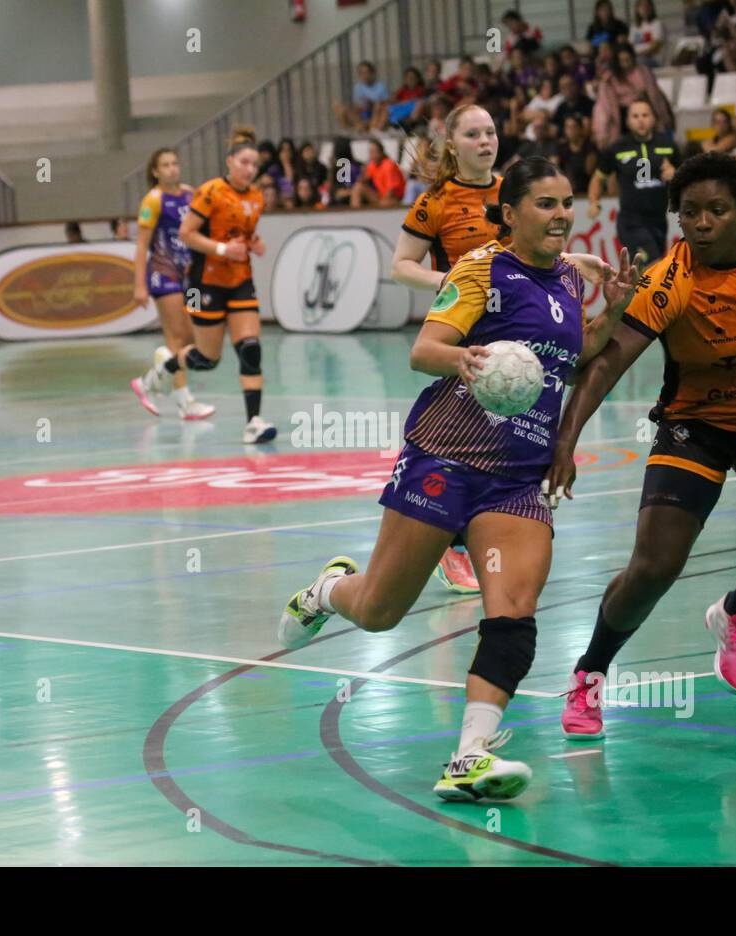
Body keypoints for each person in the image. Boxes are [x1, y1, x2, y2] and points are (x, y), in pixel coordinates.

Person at [277, 157, 642, 801]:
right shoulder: (480, 271)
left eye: (567, 204)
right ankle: (330, 590)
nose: (562, 215)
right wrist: (468, 358)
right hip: (445, 457)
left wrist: (609, 316)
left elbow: (572, 354)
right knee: (380, 611)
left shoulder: (565, 280)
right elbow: (425, 352)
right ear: (510, 214)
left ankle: (469, 755)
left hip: (519, 478)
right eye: (546, 204)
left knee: (514, 613)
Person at [552, 152, 736, 739]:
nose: (701, 223)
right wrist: (566, 439)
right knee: (653, 569)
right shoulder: (670, 281)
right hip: (696, 426)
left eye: (715, 210)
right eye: (689, 213)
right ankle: (590, 673)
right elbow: (607, 363)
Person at [391, 104, 503, 595]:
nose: (485, 141)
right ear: (453, 145)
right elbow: (401, 265)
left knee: (503, 438)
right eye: (473, 134)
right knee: (467, 439)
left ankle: (476, 535)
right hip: (463, 331)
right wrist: (448, 279)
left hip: (515, 328)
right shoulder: (435, 201)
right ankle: (451, 545)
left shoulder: (514, 191)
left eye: (491, 132)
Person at [138, 126, 276, 445]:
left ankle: (253, 422)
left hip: (240, 280)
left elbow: (239, 231)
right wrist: (224, 250)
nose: (249, 169)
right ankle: (163, 369)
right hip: (201, 285)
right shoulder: (209, 191)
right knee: (205, 357)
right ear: (229, 162)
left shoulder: (255, 197)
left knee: (250, 350)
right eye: (243, 162)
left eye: (254, 165)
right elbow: (187, 234)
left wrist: (253, 243)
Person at [129, 148, 214, 421]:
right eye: (165, 165)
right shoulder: (152, 201)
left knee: (193, 339)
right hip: (164, 275)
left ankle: (148, 382)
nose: (172, 169)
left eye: (175, 163)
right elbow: (142, 246)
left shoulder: (191, 194)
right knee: (177, 338)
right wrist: (139, 286)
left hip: (190, 276)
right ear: (155, 171)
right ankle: (185, 403)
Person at [587, 97, 680, 264]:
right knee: (652, 262)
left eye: (645, 115)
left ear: (653, 118)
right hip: (631, 222)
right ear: (628, 121)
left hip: (659, 220)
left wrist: (676, 174)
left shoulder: (668, 145)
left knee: (650, 272)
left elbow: (688, 176)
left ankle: (632, 291)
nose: (641, 120)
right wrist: (594, 202)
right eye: (635, 116)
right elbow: (598, 178)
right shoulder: (617, 148)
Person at [591, 43, 675, 148]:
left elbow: (656, 98)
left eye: (628, 60)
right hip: (622, 120)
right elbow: (604, 108)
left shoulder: (644, 73)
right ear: (616, 61)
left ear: (633, 58)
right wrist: (601, 133)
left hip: (645, 112)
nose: (626, 64)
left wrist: (665, 118)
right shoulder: (609, 80)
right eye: (622, 61)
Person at [336, 61, 389, 132]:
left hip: (375, 114)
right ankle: (346, 131)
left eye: (367, 72)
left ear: (372, 73)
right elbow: (356, 105)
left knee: (379, 107)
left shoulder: (380, 86)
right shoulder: (357, 87)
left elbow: (386, 104)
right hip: (362, 114)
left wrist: (372, 104)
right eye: (361, 73)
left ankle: (370, 129)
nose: (365, 75)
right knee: (339, 107)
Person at [350, 139, 406, 207]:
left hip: (393, 199)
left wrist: (382, 202)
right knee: (358, 187)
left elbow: (392, 190)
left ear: (381, 152)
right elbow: (363, 179)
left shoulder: (389, 165)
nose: (371, 155)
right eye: (370, 152)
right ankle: (356, 214)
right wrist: (363, 171)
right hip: (380, 197)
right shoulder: (373, 165)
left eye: (373, 152)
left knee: (385, 203)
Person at [631, 0, 665, 67]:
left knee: (639, 61)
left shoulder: (657, 24)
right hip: (637, 59)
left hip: (652, 60)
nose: (644, 8)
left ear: (651, 8)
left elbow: (654, 47)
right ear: (637, 9)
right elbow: (630, 46)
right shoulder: (634, 27)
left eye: (647, 6)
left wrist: (637, 54)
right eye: (642, 6)